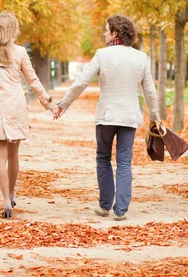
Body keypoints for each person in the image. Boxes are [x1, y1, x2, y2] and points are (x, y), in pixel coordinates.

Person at [55, 14, 160, 221]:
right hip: (129, 117)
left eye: (106, 29)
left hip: (106, 116)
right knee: (124, 161)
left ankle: (104, 206)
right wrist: (154, 117)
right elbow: (150, 92)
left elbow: (81, 82)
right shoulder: (141, 57)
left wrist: (64, 104)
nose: (104, 33)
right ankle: (120, 210)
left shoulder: (102, 55)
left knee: (103, 158)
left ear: (115, 33)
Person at [0, 12, 58, 219]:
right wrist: (49, 104)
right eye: (17, 27)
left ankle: (5, 200)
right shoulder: (20, 53)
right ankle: (12, 193)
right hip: (16, 108)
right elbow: (33, 81)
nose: (19, 31)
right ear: (10, 30)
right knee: (13, 156)